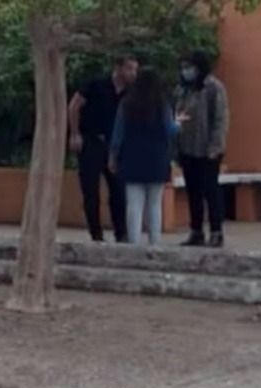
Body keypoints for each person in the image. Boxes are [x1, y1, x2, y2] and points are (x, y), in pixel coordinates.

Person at [68, 54, 139, 242]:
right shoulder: (96, 84)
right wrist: (75, 133)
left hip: (115, 146)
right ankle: (96, 234)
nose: (133, 73)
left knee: (118, 190)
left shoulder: (131, 94)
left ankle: (121, 233)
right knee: (91, 191)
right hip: (91, 141)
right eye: (129, 68)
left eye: (135, 69)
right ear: (118, 68)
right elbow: (74, 105)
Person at [110, 70, 182, 246]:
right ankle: (154, 242)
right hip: (157, 158)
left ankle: (133, 242)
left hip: (132, 158)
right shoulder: (162, 105)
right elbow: (169, 130)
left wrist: (113, 156)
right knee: (155, 204)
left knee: (133, 204)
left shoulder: (126, 104)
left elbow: (118, 134)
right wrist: (179, 123)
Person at [175, 50, 230, 247]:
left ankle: (216, 231)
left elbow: (220, 119)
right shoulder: (183, 90)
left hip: (208, 149)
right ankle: (196, 231)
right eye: (183, 67)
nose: (186, 71)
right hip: (187, 148)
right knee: (193, 192)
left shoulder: (214, 88)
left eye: (189, 67)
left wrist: (215, 146)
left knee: (210, 190)